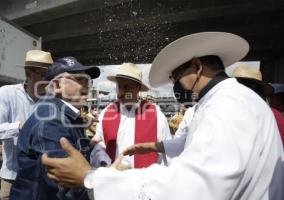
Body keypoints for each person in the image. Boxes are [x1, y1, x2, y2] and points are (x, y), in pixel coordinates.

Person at [42, 32, 284, 200]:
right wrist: (154, 146)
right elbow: (202, 149)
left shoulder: (227, 105)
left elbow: (192, 184)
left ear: (197, 68)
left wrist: (94, 179)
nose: (174, 84)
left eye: (175, 76)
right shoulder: (228, 99)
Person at [9, 57, 100, 200]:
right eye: (79, 79)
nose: (86, 85)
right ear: (57, 85)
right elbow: (65, 186)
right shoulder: (52, 121)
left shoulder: (64, 117)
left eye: (88, 80)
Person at [0, 50, 53, 200]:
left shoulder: (53, 99)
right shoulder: (6, 94)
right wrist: (19, 127)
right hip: (14, 179)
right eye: (43, 74)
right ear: (28, 74)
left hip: (46, 180)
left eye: (51, 75)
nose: (48, 80)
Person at [91, 63, 171, 168]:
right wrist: (104, 163)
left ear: (138, 88)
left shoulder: (156, 115)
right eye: (119, 87)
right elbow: (100, 146)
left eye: (126, 87)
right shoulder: (106, 113)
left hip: (146, 182)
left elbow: (168, 153)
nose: (121, 93)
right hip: (112, 180)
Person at [232, 65, 284, 145]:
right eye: (238, 85)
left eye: (248, 86)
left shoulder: (274, 116)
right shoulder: (219, 112)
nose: (243, 90)